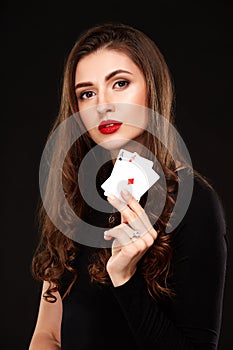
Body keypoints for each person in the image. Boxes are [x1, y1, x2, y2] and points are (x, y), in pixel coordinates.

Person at [28, 22, 227, 350]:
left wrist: (125, 278)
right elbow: (48, 334)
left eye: (119, 83)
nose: (102, 104)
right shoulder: (74, 195)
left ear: (151, 87)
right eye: (87, 93)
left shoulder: (195, 203)